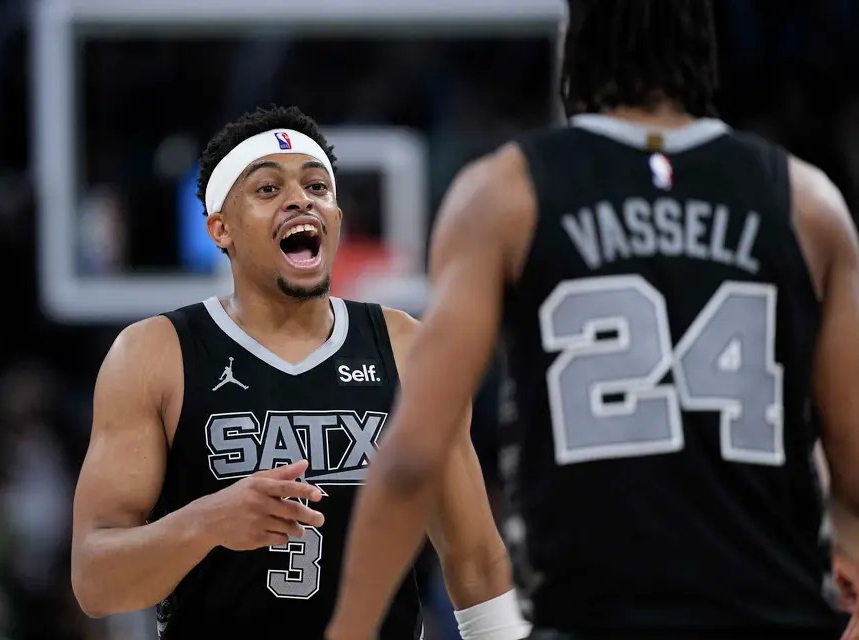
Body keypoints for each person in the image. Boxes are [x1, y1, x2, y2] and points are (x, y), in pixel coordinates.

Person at [327, 1, 859, 638]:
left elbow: (414, 455)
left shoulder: (505, 194)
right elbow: (854, 473)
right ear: (704, 45)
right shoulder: (810, 204)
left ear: (574, 45)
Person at [69, 105, 530, 639]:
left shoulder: (407, 347)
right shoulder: (154, 353)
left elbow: (475, 562)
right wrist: (206, 523)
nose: (300, 198)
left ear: (334, 218)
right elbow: (95, 581)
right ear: (221, 228)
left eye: (317, 186)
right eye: (267, 189)